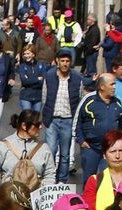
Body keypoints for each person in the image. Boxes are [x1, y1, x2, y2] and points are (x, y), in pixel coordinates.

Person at [81, 130, 122, 210]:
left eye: (121, 151)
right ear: (104, 155)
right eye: (113, 151)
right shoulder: (94, 181)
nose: (117, 156)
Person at [42, 51, 84, 180]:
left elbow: (80, 97)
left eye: (67, 61)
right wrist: (45, 118)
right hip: (52, 119)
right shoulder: (49, 76)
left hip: (68, 120)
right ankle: (50, 178)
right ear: (57, 61)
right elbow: (44, 97)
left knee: (65, 154)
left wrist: (76, 121)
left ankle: (62, 180)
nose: (65, 64)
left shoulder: (77, 78)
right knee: (51, 151)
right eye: (62, 61)